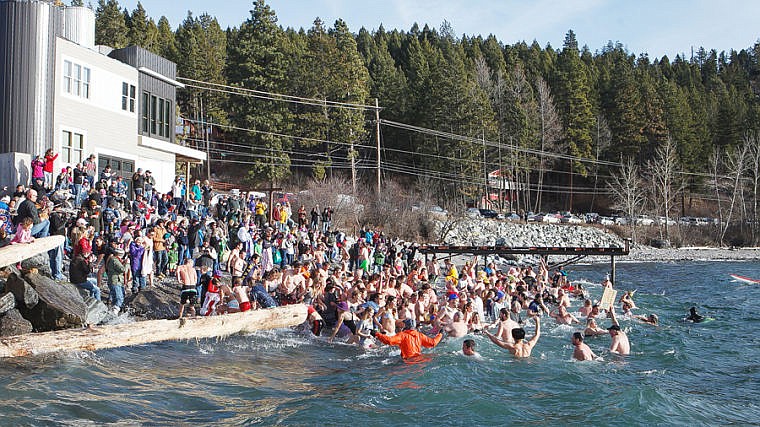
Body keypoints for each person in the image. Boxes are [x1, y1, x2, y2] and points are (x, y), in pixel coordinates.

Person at [372, 320, 443, 359]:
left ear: (405, 326)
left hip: (407, 361)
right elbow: (433, 343)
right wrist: (440, 334)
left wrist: (377, 334)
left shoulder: (402, 335)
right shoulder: (419, 335)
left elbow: (389, 341)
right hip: (419, 359)